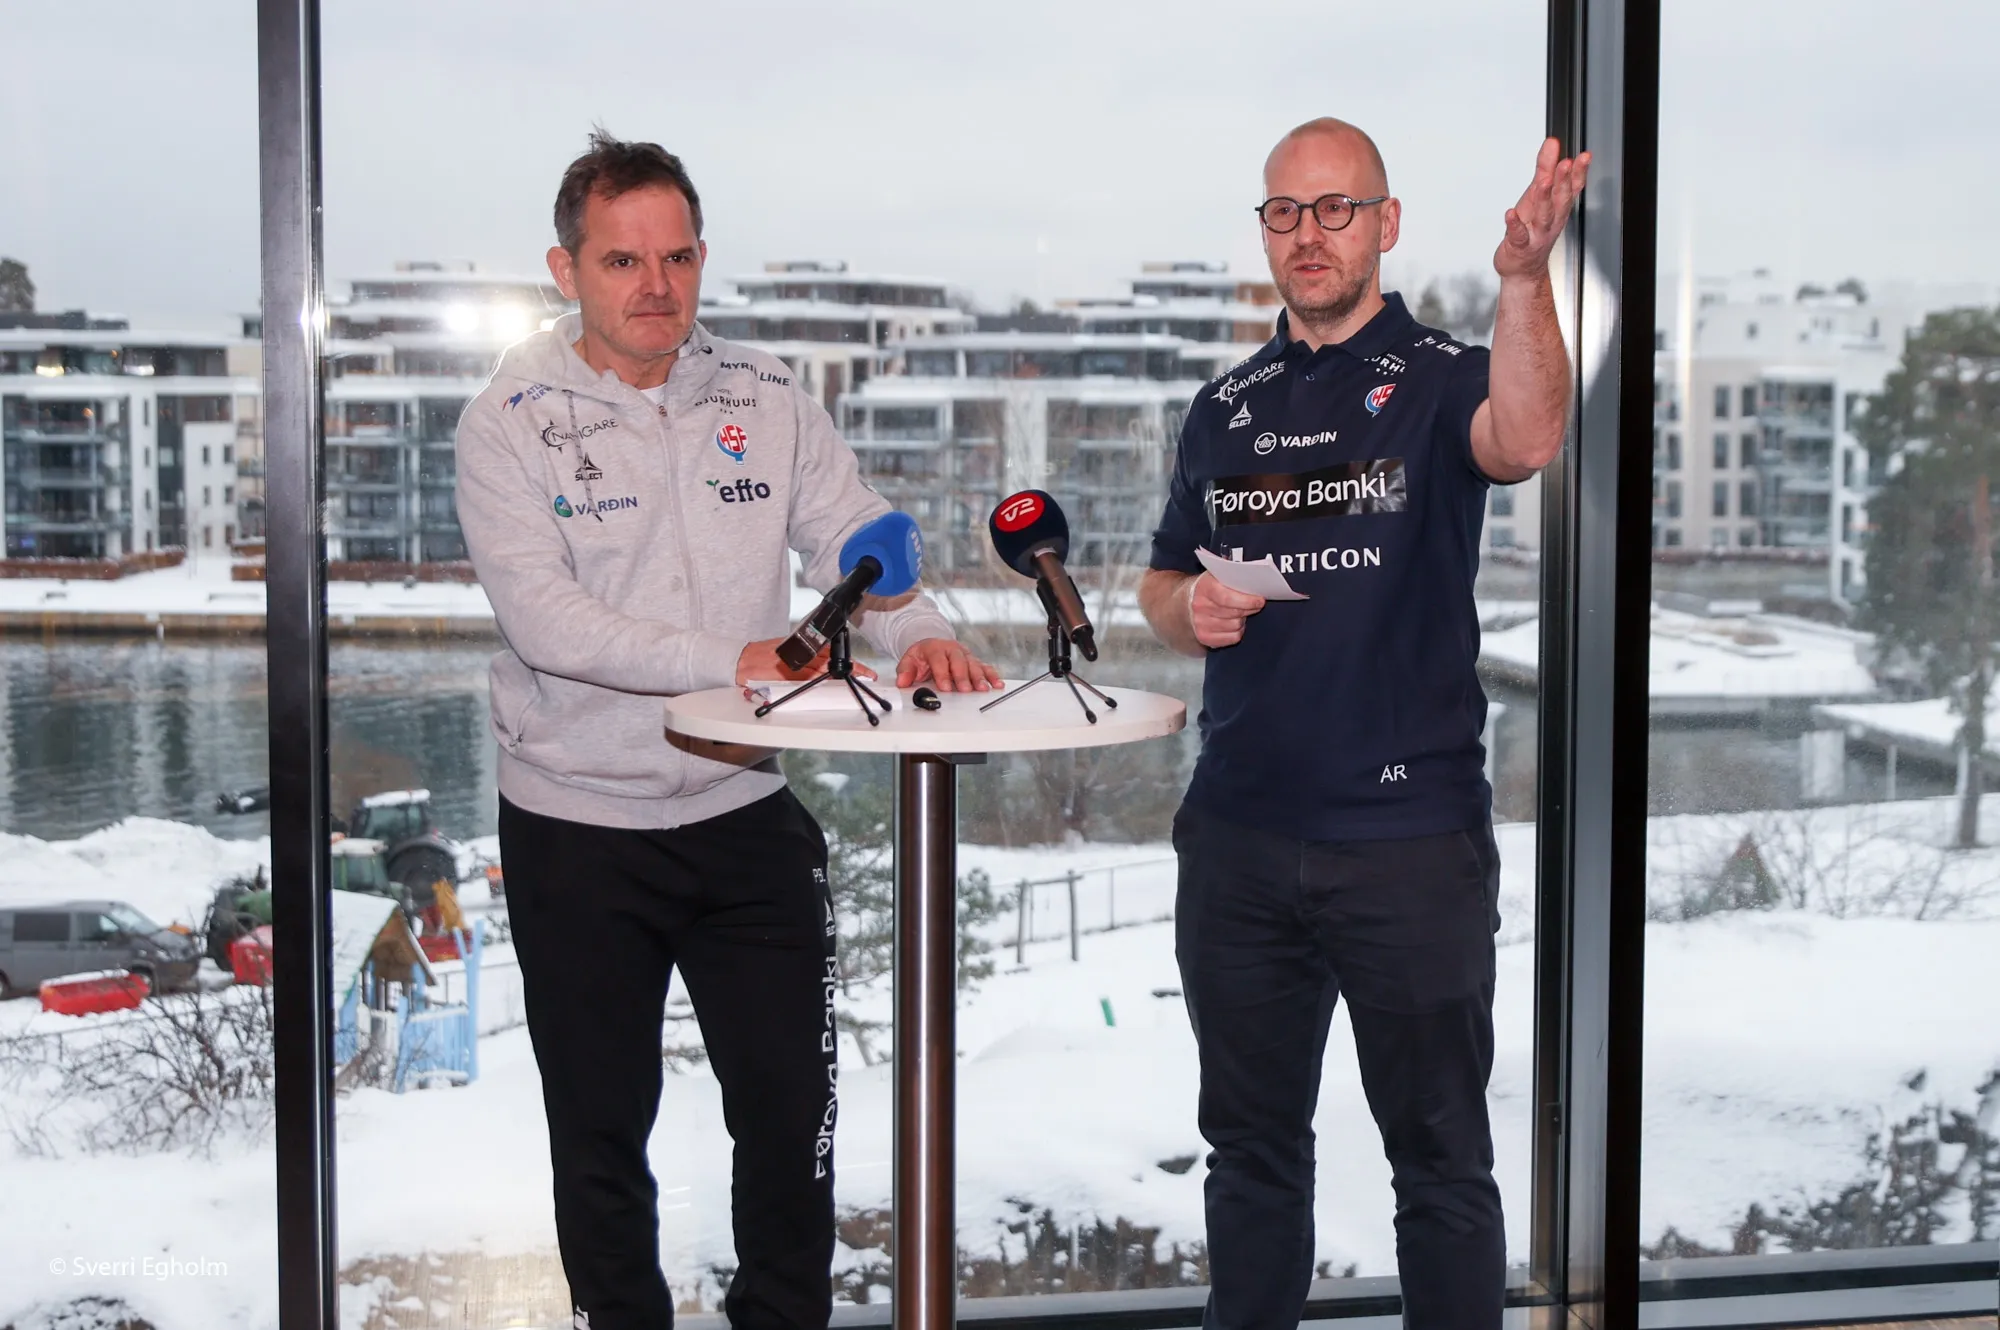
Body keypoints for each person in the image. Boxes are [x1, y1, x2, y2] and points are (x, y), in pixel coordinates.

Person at [455, 129, 1000, 1330]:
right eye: (622, 261)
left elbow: (858, 539)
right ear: (565, 270)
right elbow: (547, 621)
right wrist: (732, 661)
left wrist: (919, 632)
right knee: (600, 1134)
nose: (655, 285)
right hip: (577, 825)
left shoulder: (764, 394)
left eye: (678, 256)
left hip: (743, 810)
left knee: (791, 1116)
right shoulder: (507, 421)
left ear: (703, 256)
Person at [1138, 119, 1588, 1329]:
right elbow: (1161, 582)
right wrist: (1190, 609)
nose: (1308, 234)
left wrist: (1521, 278)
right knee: (1248, 1155)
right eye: (1284, 212)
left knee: (1438, 1165)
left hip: (1406, 846)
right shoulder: (1222, 406)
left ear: (1384, 224)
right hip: (1236, 840)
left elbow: (1527, 436)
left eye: (1334, 208)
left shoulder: (1439, 374)